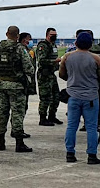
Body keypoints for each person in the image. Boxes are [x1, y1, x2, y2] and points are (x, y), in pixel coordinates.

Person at [59, 32, 100, 164]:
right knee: (92, 127)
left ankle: (70, 153)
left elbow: (62, 74)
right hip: (91, 96)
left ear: (76, 43)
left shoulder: (67, 57)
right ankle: (92, 155)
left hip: (73, 95)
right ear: (90, 44)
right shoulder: (96, 58)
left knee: (71, 126)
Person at [0, 26, 34, 153]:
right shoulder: (20, 49)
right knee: (17, 113)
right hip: (16, 86)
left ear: (6, 33)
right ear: (17, 36)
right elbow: (29, 69)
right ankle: (19, 143)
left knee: (2, 112)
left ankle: (0, 142)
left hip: (1, 84)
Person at [36, 27, 62, 126]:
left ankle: (52, 115)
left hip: (51, 74)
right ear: (47, 35)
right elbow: (41, 60)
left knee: (56, 96)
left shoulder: (53, 45)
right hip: (44, 75)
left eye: (55, 35)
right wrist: (54, 62)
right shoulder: (43, 45)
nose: (54, 37)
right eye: (52, 35)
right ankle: (42, 118)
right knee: (45, 97)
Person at [18, 32, 36, 139]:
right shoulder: (22, 50)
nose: (30, 41)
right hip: (22, 82)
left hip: (22, 82)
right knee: (20, 108)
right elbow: (29, 68)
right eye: (29, 39)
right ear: (24, 39)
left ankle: (18, 129)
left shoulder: (26, 50)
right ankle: (18, 130)